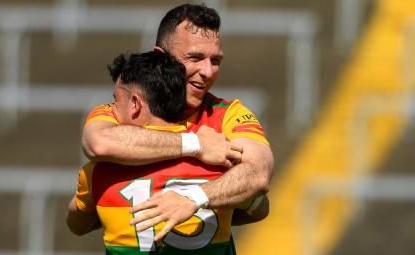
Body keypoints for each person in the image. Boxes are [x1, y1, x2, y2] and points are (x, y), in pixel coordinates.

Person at [67, 50, 267, 255]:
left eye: (115, 100)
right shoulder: (220, 164)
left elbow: (77, 222)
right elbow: (259, 207)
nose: (112, 109)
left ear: (134, 104)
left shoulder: (99, 173)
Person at [81, 3, 274, 241]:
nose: (207, 71)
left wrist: (194, 199)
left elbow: (258, 175)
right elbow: (99, 143)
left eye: (215, 61)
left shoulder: (229, 114)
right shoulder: (127, 106)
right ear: (162, 57)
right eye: (195, 58)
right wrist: (197, 145)